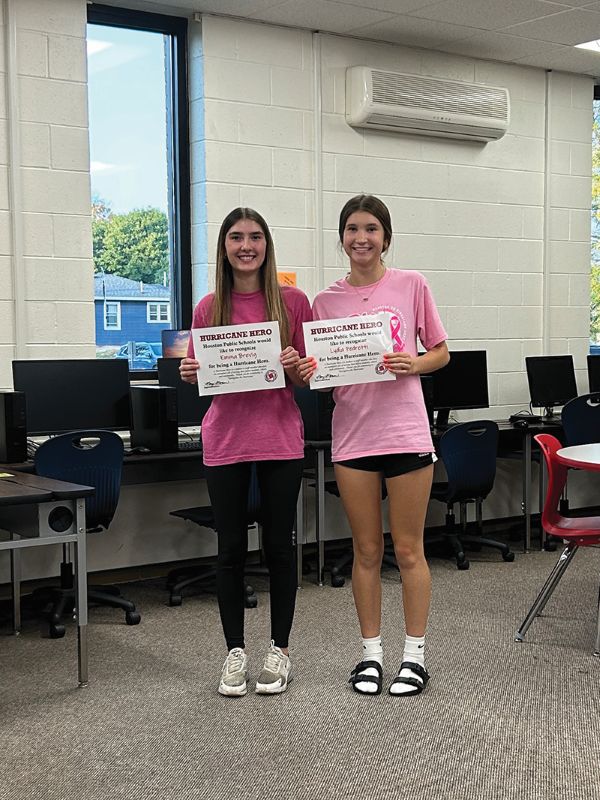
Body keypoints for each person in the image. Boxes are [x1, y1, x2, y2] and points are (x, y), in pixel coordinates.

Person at [297, 194, 449, 697]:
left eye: (371, 229)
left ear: (386, 236)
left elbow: (441, 352)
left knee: (408, 549)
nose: (361, 238)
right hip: (354, 437)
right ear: (341, 237)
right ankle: (370, 656)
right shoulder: (324, 302)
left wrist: (415, 362)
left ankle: (414, 657)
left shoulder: (411, 285)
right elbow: (321, 376)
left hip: (405, 433)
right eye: (352, 229)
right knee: (365, 550)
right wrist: (310, 372)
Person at [180, 207, 311, 697]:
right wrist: (190, 373)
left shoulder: (293, 302)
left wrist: (298, 364)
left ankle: (280, 650)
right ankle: (234, 652)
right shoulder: (208, 308)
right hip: (226, 439)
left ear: (266, 244)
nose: (246, 246)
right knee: (231, 548)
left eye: (255, 237)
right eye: (236, 238)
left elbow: (310, 380)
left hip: (279, 437)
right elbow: (202, 374)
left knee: (280, 546)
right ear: (225, 247)